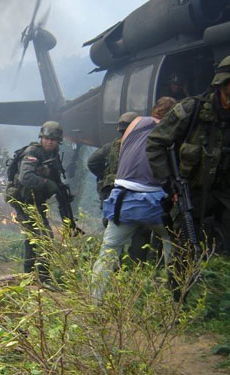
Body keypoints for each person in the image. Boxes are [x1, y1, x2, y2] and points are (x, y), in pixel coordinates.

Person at [147, 56, 230, 299]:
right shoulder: (191, 110)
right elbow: (155, 144)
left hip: (224, 194)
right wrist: (169, 181)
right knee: (186, 249)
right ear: (222, 84)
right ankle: (178, 303)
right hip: (190, 192)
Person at [91, 97, 177, 302]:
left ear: (154, 110)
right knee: (172, 244)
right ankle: (173, 299)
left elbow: (122, 155)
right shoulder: (171, 130)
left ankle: (94, 302)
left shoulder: (135, 123)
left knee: (108, 253)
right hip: (155, 204)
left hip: (123, 201)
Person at [7, 120, 74, 283]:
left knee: (32, 238)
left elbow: (56, 180)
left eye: (53, 140)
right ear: (41, 138)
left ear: (58, 141)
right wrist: (47, 184)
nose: (49, 142)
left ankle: (29, 277)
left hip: (36, 201)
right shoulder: (33, 152)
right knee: (45, 237)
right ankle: (43, 279)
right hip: (23, 201)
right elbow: (26, 177)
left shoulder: (53, 155)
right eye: (47, 139)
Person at [88, 112, 153, 262]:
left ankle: (115, 272)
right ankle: (134, 269)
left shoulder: (111, 147)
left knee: (112, 239)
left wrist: (106, 176)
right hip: (137, 197)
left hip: (114, 198)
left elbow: (92, 162)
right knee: (140, 234)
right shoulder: (145, 147)